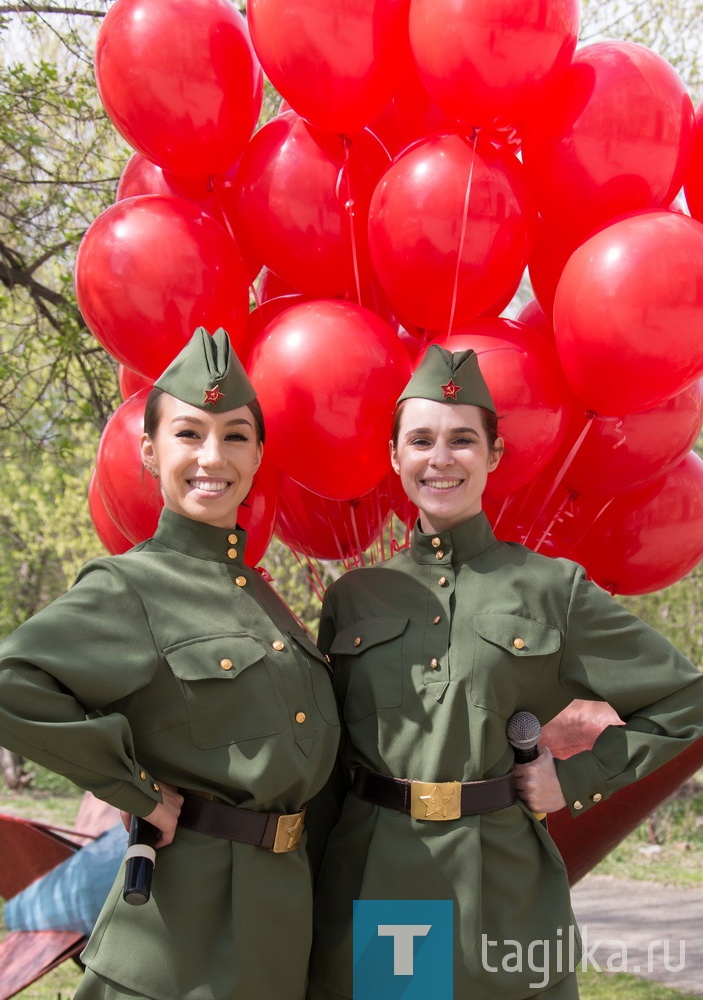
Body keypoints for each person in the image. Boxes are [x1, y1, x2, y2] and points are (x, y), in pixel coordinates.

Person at [306, 345, 703, 999]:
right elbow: (328, 761)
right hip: (384, 876)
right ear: (394, 457)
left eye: (462, 440)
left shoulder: (551, 588)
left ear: (492, 456)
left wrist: (573, 779)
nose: (440, 458)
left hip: (503, 875)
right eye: (421, 440)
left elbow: (685, 699)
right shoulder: (356, 596)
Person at [0, 327, 340, 1000]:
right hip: (180, 941)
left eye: (235, 435)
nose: (212, 455)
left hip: (279, 926)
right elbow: (12, 685)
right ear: (151, 452)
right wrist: (135, 788)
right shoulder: (131, 586)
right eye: (188, 434)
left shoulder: (264, 598)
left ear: (257, 454)